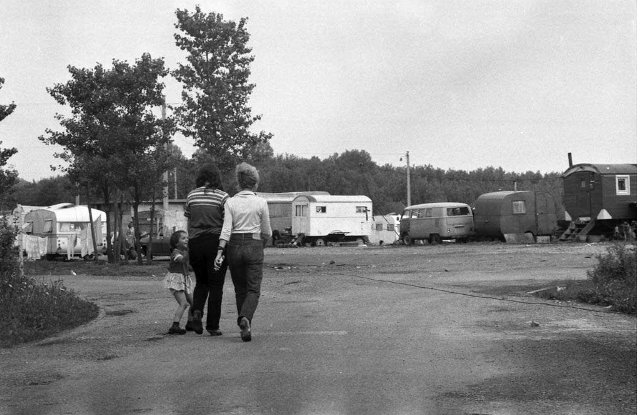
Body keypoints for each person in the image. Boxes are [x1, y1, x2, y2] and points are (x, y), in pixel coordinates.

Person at [215, 162, 271, 342]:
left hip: (234, 247)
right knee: (253, 289)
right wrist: (261, 245)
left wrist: (219, 252)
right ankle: (245, 318)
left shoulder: (230, 202)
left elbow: (226, 229)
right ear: (255, 183)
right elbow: (267, 232)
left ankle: (244, 327)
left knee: (240, 290)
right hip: (254, 245)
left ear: (238, 183)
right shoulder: (261, 202)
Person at [185, 163, 229, 336]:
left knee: (201, 282)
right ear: (217, 177)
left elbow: (188, 221)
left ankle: (197, 312)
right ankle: (212, 325)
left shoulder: (191, 196)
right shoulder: (223, 197)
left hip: (195, 243)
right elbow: (226, 224)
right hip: (215, 244)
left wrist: (190, 241)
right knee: (216, 285)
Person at [163, 230, 195, 335]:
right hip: (176, 280)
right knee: (184, 303)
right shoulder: (175, 252)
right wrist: (191, 251)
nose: (187, 239)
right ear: (176, 243)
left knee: (194, 303)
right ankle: (174, 326)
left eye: (187, 237)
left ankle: (190, 323)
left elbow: (188, 266)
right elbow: (182, 260)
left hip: (185, 279)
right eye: (183, 238)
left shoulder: (185, 252)